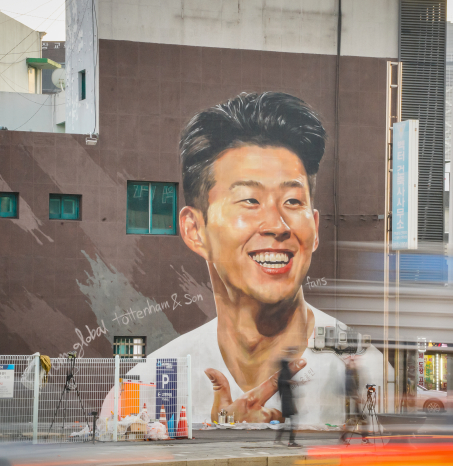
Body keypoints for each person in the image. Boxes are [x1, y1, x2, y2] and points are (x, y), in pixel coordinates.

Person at [124, 92, 389, 425]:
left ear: (315, 227)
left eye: (293, 202)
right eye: (249, 200)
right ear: (195, 229)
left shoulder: (371, 375)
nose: (277, 225)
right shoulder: (150, 388)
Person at [275, 349, 301, 447]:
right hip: (287, 400)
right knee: (293, 421)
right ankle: (291, 441)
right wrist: (294, 382)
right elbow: (284, 382)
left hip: (286, 399)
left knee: (287, 422)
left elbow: (280, 384)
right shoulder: (285, 372)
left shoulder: (282, 372)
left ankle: (278, 440)